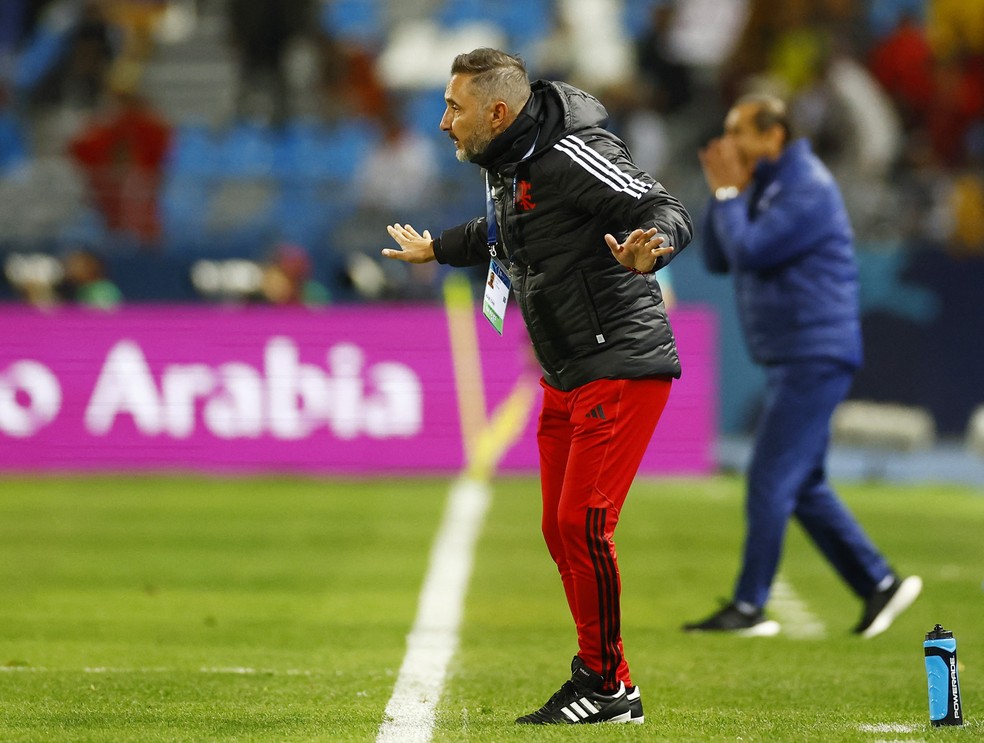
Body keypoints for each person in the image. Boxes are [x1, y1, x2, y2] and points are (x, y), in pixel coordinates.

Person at [381, 48, 692, 725]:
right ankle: (600, 675)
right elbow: (506, 233)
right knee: (561, 530)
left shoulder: (569, 149)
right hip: (567, 370)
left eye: (453, 107)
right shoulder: (508, 161)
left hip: (619, 362)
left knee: (583, 524)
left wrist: (654, 245)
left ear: (496, 111)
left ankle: (610, 686)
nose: (442, 122)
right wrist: (439, 249)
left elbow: (660, 204)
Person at [688, 93, 922, 637]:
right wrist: (722, 190)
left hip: (814, 351)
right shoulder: (768, 183)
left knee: (769, 476)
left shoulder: (807, 186)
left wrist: (728, 191)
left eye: (738, 133)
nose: (728, 145)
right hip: (795, 351)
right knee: (805, 483)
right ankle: (877, 583)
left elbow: (749, 251)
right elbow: (718, 258)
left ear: (774, 136)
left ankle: (749, 606)